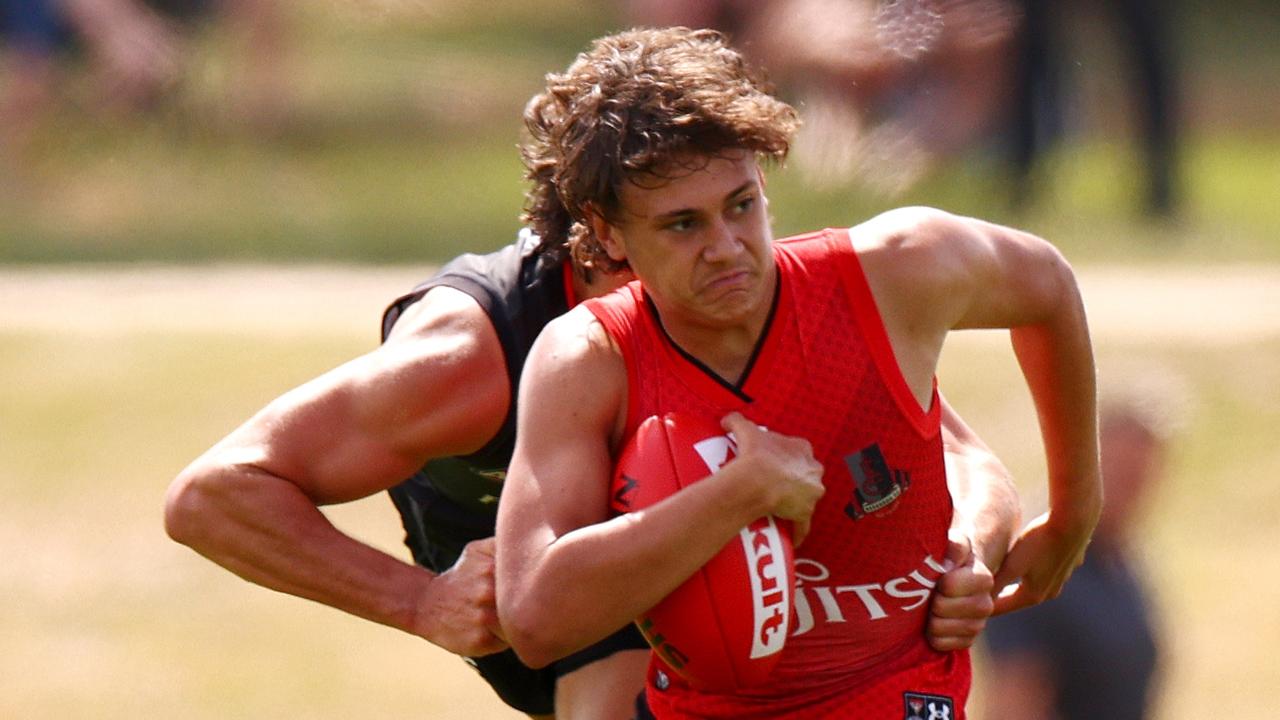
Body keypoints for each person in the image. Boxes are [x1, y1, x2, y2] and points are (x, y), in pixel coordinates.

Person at [164, 205, 1020, 712]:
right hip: (518, 541)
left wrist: (969, 552)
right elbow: (213, 495)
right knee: (613, 697)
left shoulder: (735, 276)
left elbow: (965, 459)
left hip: (682, 504)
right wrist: (419, 600)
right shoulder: (466, 366)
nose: (724, 275)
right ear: (610, 249)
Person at [494, 26, 1102, 718]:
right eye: (683, 226)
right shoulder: (590, 359)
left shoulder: (896, 271)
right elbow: (535, 619)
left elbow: (1046, 284)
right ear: (607, 233)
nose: (726, 249)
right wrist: (740, 494)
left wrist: (1074, 513)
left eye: (742, 205)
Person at [981, 384, 1178, 719]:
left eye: (1141, 479)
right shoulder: (1038, 561)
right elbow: (1014, 702)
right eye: (1121, 475)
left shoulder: (1122, 560)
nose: (1132, 495)